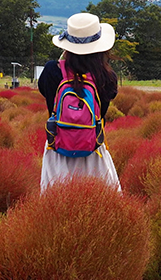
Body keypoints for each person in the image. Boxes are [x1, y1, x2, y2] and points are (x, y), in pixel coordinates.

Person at [38, 12, 121, 192]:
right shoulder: (107, 77)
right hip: (94, 150)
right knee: (99, 206)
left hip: (57, 150)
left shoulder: (52, 70)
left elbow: (45, 90)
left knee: (55, 205)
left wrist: (64, 60)